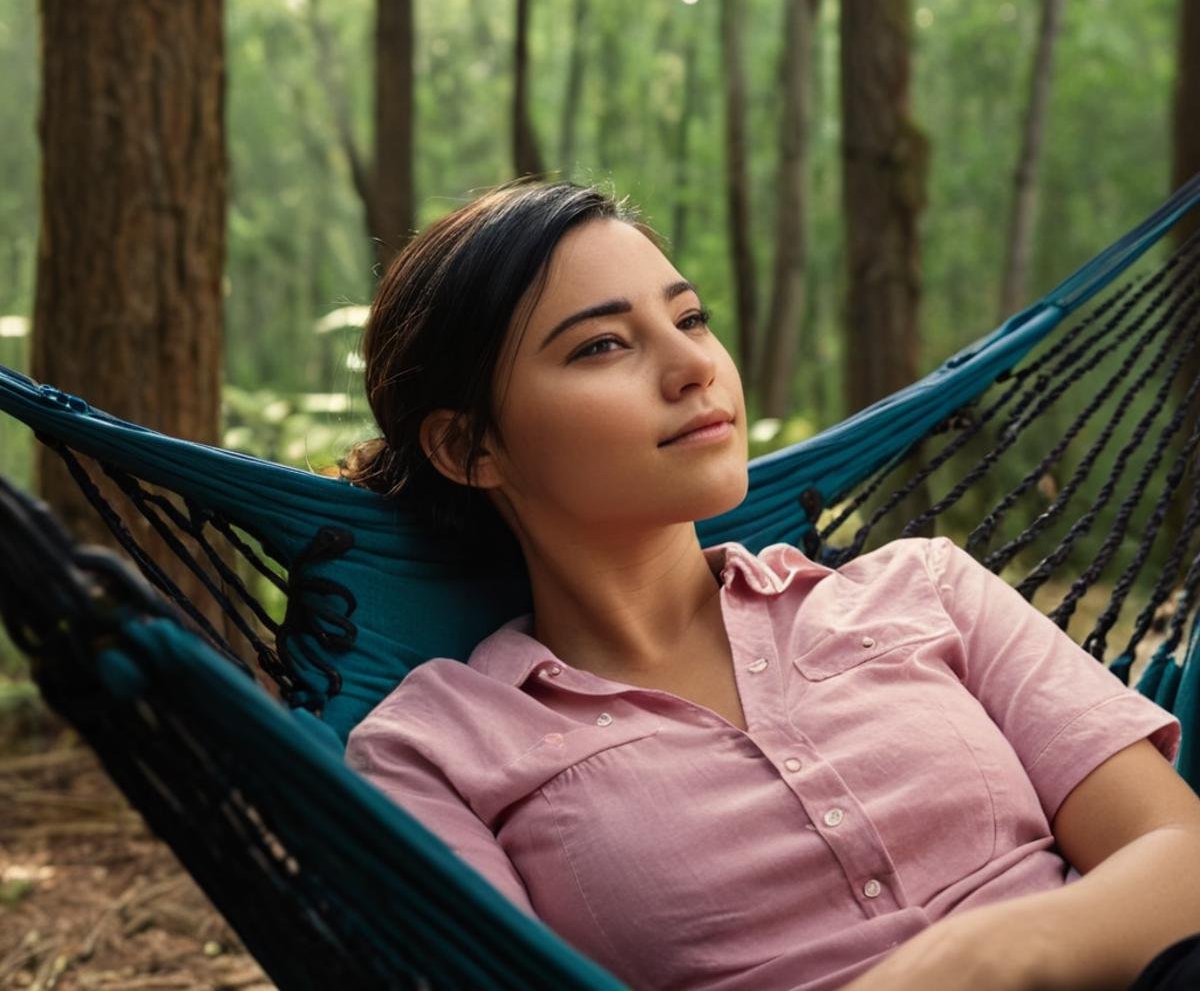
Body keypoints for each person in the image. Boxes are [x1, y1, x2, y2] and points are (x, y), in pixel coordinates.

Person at [341, 179, 1200, 991]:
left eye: (692, 319)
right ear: (467, 449)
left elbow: (1184, 853)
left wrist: (998, 955)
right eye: (603, 344)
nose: (693, 367)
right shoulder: (434, 753)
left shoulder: (922, 589)